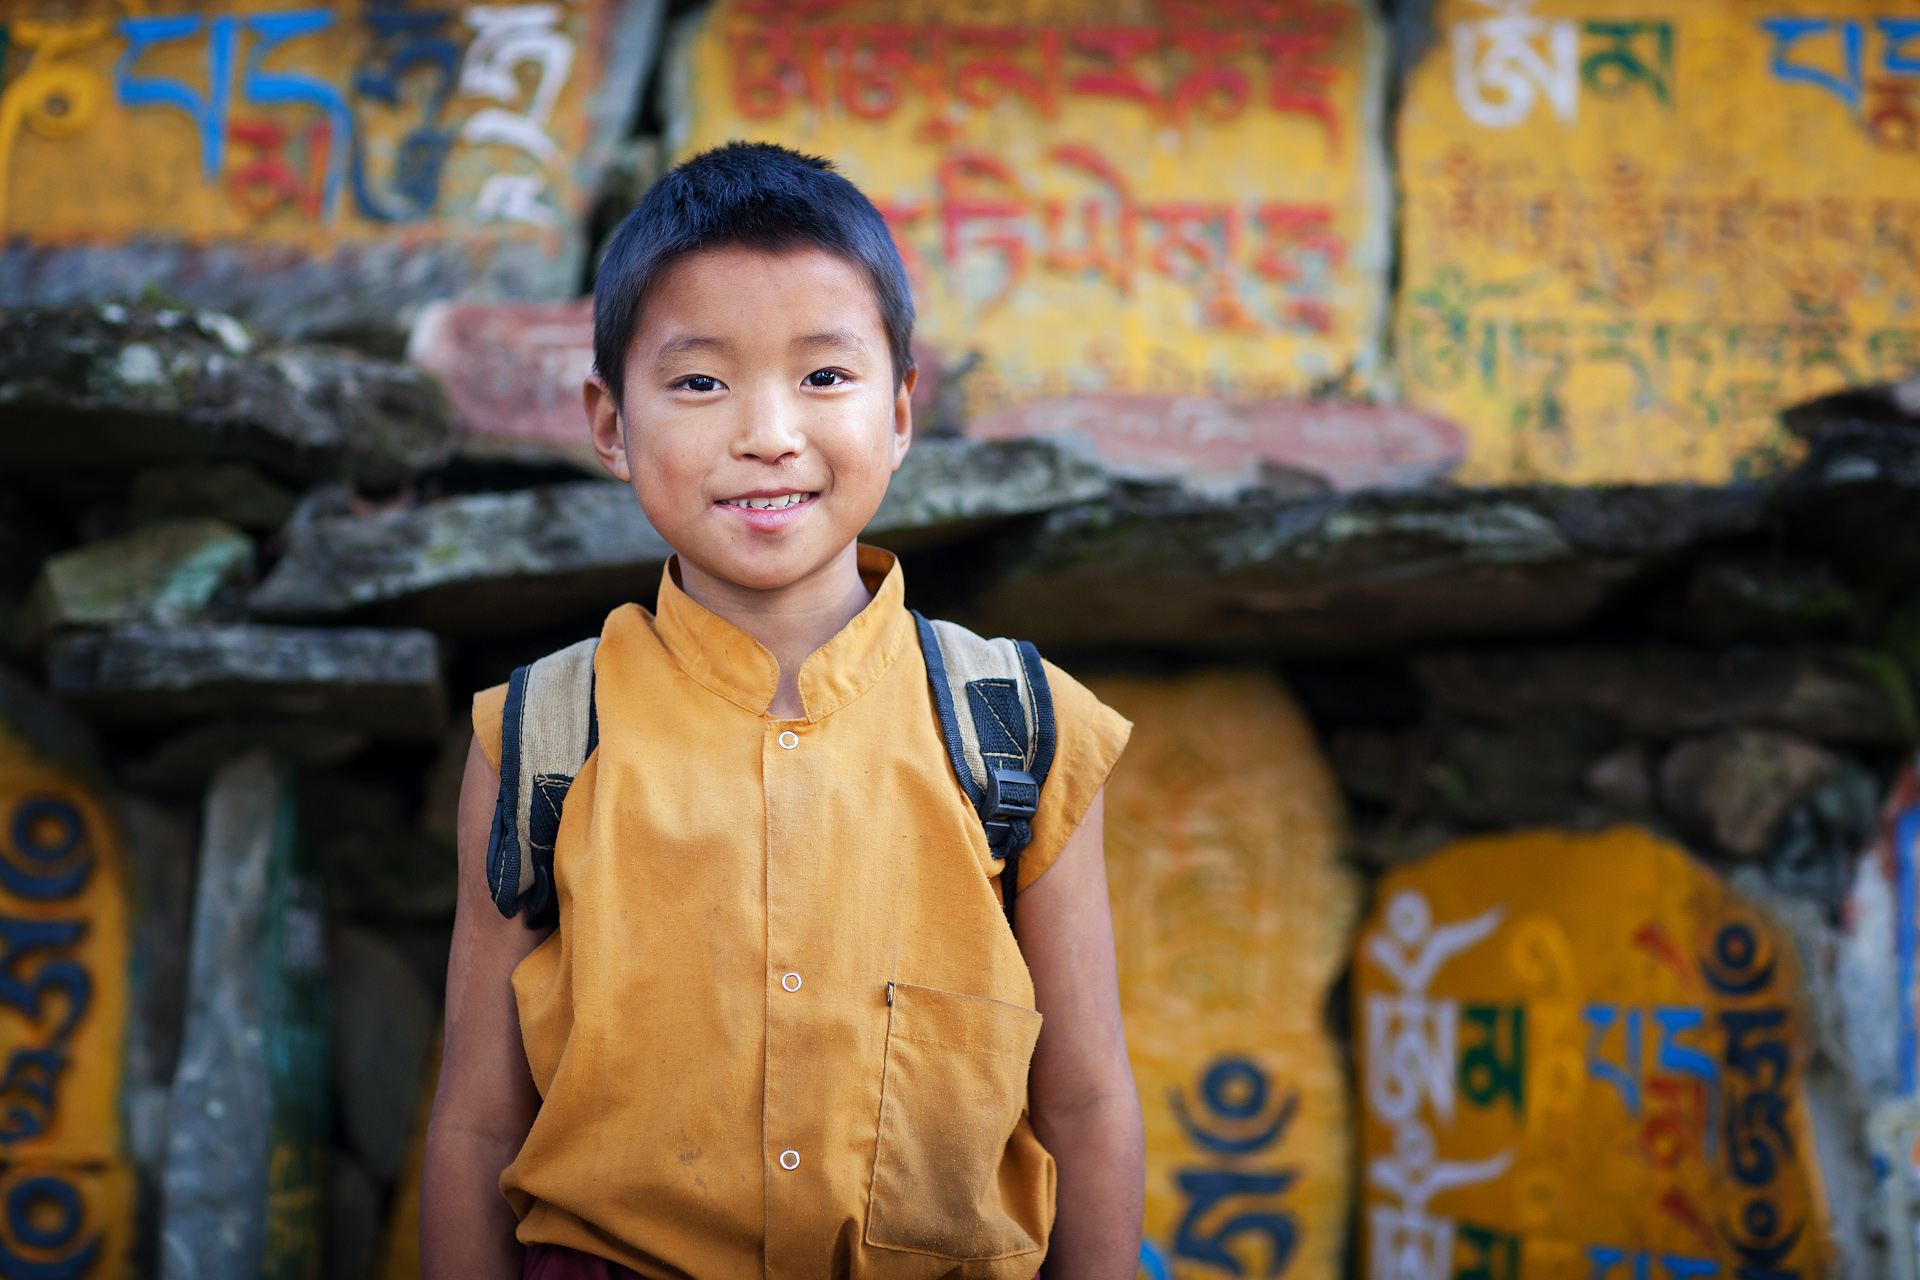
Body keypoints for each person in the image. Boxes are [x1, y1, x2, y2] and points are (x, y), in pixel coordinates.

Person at [421, 141, 1145, 1280]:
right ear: (610, 422)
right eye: (700, 381)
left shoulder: (1016, 726)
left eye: (823, 376)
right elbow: (474, 1124)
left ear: (902, 409)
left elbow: (1091, 1099)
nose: (768, 431)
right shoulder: (544, 736)